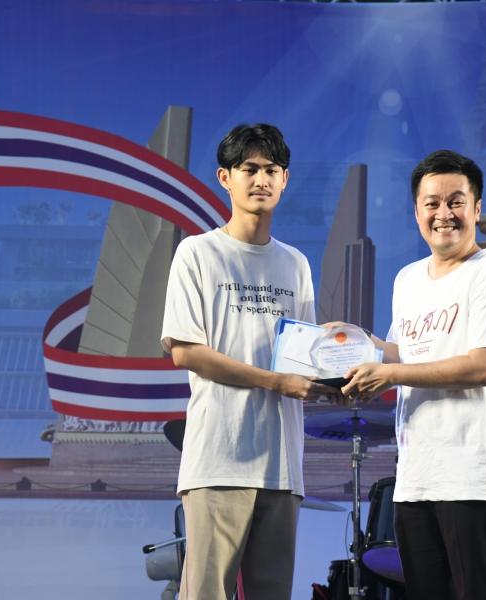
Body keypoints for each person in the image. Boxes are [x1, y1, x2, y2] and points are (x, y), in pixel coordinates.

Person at [341, 149, 486, 600]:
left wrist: (390, 373)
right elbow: (404, 352)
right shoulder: (408, 279)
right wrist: (352, 341)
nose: (443, 214)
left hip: (476, 478)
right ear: (417, 212)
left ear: (476, 209)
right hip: (417, 479)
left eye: (456, 202)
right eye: (432, 203)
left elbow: (484, 366)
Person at [160, 123, 333, 600]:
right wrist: (276, 382)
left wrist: (337, 376)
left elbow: (302, 358)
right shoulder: (197, 253)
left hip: (282, 466)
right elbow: (186, 352)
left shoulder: (295, 264)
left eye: (271, 170)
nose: (261, 180)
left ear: (285, 179)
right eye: (249, 169)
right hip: (218, 460)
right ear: (225, 177)